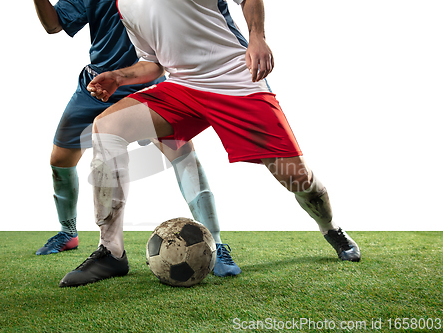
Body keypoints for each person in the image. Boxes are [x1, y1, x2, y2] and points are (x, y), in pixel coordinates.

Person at [58, 0, 361, 288]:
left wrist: (257, 37)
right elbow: (153, 63)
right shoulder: (125, 4)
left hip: (236, 84)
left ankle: (331, 229)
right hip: (182, 89)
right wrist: (119, 76)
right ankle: (111, 252)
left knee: (296, 177)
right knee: (107, 126)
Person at [33, 0, 244, 278]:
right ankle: (69, 232)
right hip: (97, 85)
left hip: (147, 85)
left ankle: (216, 245)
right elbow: (53, 25)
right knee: (60, 160)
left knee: (182, 155)